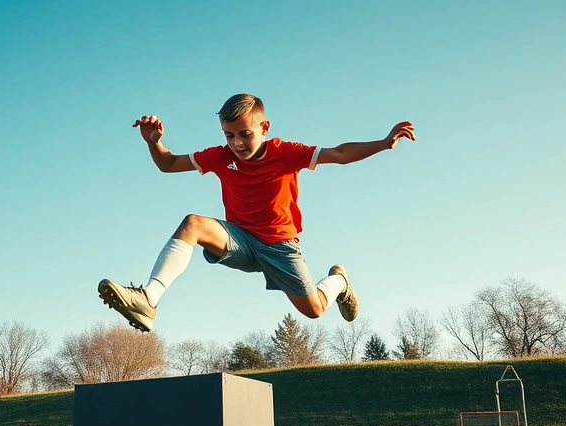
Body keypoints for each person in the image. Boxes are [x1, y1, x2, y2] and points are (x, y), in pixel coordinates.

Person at [99, 93, 415, 332]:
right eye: (229, 135)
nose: (237, 142)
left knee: (315, 309)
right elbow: (168, 165)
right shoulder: (219, 156)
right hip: (241, 240)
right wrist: (154, 143)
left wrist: (384, 143)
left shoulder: (286, 153)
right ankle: (149, 299)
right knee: (192, 223)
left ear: (264, 127)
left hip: (279, 246)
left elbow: (341, 154)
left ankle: (339, 282)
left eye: (245, 134)